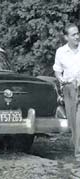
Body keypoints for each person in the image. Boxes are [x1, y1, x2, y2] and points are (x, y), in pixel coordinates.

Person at [53, 23, 80, 162]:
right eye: (73, 34)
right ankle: (78, 151)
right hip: (69, 89)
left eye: (78, 33)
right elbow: (57, 70)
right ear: (66, 37)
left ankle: (78, 154)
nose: (77, 36)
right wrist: (61, 79)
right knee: (74, 123)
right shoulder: (61, 52)